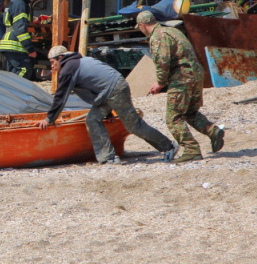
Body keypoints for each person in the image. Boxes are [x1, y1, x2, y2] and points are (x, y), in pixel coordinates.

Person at [35, 45, 178, 165]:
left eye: (52, 62)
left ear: (61, 58)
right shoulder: (79, 61)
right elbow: (95, 88)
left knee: (134, 126)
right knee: (92, 120)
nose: (52, 66)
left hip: (114, 90)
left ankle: (169, 146)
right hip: (109, 91)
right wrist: (108, 113)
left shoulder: (68, 69)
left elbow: (60, 97)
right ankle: (108, 157)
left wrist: (49, 119)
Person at [136, 10, 225, 163]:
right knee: (190, 112)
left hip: (182, 79)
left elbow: (163, 61)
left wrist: (160, 83)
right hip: (196, 75)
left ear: (142, 25)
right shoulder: (172, 31)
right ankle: (212, 131)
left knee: (173, 118)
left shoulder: (158, 36)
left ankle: (191, 150)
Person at [0, 0, 41, 79]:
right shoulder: (20, 4)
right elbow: (20, 29)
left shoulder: (14, 2)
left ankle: (10, 89)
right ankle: (15, 89)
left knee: (12, 73)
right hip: (15, 44)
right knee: (24, 70)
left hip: (9, 43)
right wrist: (30, 49)